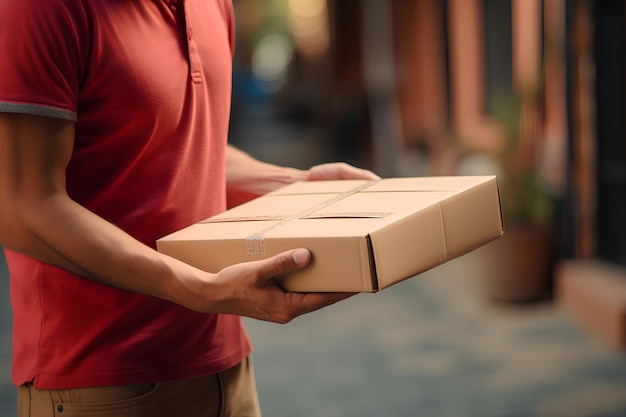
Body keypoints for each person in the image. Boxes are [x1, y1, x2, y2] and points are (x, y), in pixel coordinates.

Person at [0, 0, 379, 415]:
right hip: (101, 382)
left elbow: (184, 145)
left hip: (225, 369)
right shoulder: (36, 9)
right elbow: (19, 207)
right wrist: (199, 289)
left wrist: (293, 184)